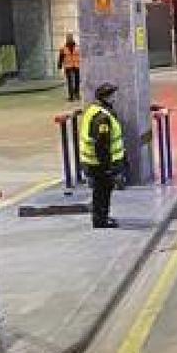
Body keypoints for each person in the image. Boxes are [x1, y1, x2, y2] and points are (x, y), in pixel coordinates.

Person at [79, 82, 125, 228]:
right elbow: (102, 145)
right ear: (106, 97)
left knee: (101, 191)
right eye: (112, 95)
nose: (115, 98)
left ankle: (101, 217)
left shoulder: (94, 110)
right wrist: (107, 166)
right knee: (102, 192)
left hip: (94, 162)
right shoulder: (102, 118)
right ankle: (101, 220)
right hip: (99, 163)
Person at [57, 34, 82, 101]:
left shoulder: (77, 47)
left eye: (70, 38)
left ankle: (77, 94)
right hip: (68, 66)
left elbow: (81, 56)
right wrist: (59, 65)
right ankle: (71, 96)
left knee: (77, 81)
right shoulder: (63, 48)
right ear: (66, 39)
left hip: (77, 66)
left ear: (72, 38)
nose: (69, 39)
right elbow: (61, 57)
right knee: (70, 82)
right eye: (68, 38)